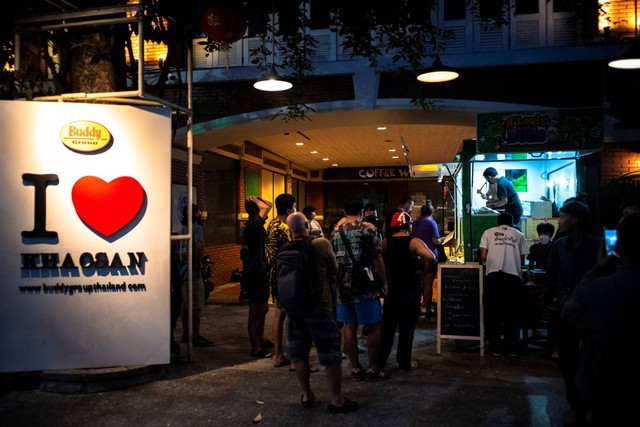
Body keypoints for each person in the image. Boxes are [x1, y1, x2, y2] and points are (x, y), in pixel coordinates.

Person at [561, 212, 640, 426]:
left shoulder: (597, 291)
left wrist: (599, 268)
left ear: (618, 247)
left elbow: (570, 314)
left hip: (606, 393)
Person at [285, 212, 359, 414]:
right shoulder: (321, 244)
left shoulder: (286, 248)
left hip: (294, 308)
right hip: (320, 307)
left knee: (299, 354)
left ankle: (307, 395)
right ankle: (337, 400)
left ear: (290, 229)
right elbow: (334, 270)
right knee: (330, 353)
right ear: (307, 225)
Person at [541, 200, 600, 427]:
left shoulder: (599, 244)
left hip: (593, 310)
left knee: (592, 359)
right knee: (566, 360)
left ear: (574, 220)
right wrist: (545, 302)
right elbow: (551, 276)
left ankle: (591, 402)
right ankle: (576, 404)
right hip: (566, 310)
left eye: (563, 216)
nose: (559, 220)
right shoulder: (559, 245)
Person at [330, 199, 389, 381]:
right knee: (374, 325)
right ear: (362, 211)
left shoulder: (335, 233)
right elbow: (377, 257)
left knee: (349, 326)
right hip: (364, 283)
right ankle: (373, 368)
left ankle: (355, 368)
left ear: (344, 210)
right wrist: (385, 282)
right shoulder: (368, 229)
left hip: (343, 285)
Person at [379, 211, 436, 371]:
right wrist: (423, 273)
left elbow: (376, 259)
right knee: (407, 330)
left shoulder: (385, 243)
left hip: (391, 292)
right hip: (410, 292)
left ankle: (381, 361)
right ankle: (404, 362)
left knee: (388, 330)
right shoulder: (414, 242)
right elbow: (431, 257)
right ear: (408, 226)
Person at [479, 212, 529, 357]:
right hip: (512, 278)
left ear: (497, 223)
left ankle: (495, 347)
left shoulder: (488, 233)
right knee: (512, 314)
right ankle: (512, 346)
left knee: (493, 313)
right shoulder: (519, 235)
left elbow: (483, 256)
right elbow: (522, 260)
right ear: (512, 223)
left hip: (493, 276)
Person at [265, 193, 298, 369]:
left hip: (274, 275)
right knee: (292, 317)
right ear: (288, 209)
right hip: (287, 276)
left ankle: (278, 355)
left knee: (278, 315)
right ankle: (295, 360)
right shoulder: (285, 228)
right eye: (293, 207)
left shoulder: (271, 224)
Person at [179, 203, 215, 348]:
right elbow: (199, 247)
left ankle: (185, 334)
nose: (201, 214)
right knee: (195, 304)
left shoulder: (182, 228)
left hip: (182, 271)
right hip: (193, 272)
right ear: (195, 214)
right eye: (199, 212)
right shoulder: (197, 228)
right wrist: (199, 264)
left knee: (185, 304)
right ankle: (195, 335)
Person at [243, 196, 274, 358]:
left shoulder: (255, 224)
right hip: (254, 272)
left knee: (263, 308)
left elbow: (267, 206)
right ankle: (255, 347)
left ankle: (260, 340)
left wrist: (256, 200)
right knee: (255, 311)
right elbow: (267, 207)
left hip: (260, 271)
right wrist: (254, 199)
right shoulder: (253, 225)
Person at [411, 202, 446, 317]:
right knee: (428, 284)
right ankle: (427, 310)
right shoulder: (431, 223)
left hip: (416, 256)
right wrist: (443, 239)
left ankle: (416, 309)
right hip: (429, 256)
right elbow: (435, 241)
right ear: (431, 212)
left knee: (417, 284)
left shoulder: (414, 223)